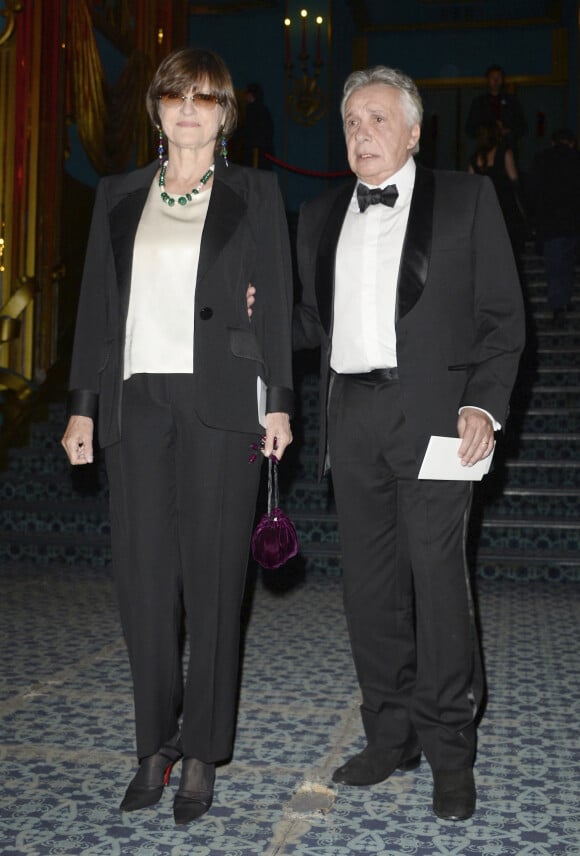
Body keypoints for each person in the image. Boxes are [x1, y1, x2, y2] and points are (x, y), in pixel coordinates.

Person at [61, 47, 293, 825]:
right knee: (144, 584)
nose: (188, 110)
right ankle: (152, 746)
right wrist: (82, 406)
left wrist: (280, 402)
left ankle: (201, 753)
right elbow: (95, 306)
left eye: (204, 98)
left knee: (216, 582)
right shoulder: (120, 195)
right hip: (136, 405)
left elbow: (278, 307)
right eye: (175, 97)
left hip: (222, 404)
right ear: (157, 110)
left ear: (225, 114)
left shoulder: (254, 192)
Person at [292, 66, 525, 821]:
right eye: (351, 120)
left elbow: (502, 319)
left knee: (436, 579)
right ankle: (389, 734)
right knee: (368, 586)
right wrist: (244, 308)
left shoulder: (467, 199)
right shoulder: (321, 214)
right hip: (351, 417)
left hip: (435, 418)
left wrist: (484, 406)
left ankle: (451, 750)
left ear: (415, 130)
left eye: (378, 119)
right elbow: (306, 324)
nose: (362, 132)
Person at [530, 128, 580, 326]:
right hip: (573, 219)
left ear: (553, 142)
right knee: (567, 263)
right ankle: (563, 300)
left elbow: (534, 190)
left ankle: (559, 304)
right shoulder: (576, 159)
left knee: (555, 266)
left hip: (550, 221)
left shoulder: (542, 159)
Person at [468, 121, 527, 258]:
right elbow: (514, 179)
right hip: (504, 207)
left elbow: (470, 184)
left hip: (484, 208)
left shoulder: (475, 157)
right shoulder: (504, 152)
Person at [466, 65, 527, 147]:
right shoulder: (479, 102)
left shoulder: (512, 102)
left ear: (503, 80)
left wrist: (507, 130)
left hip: (507, 145)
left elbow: (522, 127)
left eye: (499, 77)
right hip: (486, 147)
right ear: (487, 80)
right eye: (492, 77)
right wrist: (489, 130)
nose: (496, 80)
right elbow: (470, 128)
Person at [237, 82, 274, 170]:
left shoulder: (253, 110)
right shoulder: (262, 110)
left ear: (251, 95)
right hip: (260, 152)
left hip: (255, 152)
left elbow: (249, 130)